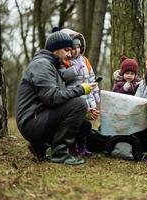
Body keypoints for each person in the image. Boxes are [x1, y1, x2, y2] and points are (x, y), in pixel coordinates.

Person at [16, 29, 96, 165]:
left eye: (71, 50)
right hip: (31, 122)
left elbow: (56, 100)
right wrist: (80, 89)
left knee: (84, 124)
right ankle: (59, 153)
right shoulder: (42, 65)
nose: (70, 54)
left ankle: (41, 146)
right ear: (55, 49)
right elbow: (52, 98)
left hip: (39, 117)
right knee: (79, 104)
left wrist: (84, 113)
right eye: (67, 50)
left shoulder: (52, 65)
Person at [58, 28, 100, 156]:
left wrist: (96, 92)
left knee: (86, 124)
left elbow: (91, 77)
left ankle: (82, 147)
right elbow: (63, 76)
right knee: (76, 124)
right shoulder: (65, 61)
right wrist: (75, 69)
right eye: (73, 47)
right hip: (74, 96)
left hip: (87, 96)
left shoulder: (85, 60)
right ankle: (72, 146)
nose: (76, 50)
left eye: (79, 47)